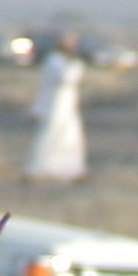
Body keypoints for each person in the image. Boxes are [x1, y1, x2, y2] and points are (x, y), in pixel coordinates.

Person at [26, 33, 86, 182]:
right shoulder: (54, 60)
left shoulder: (63, 61)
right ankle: (37, 169)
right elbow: (66, 78)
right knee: (50, 135)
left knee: (69, 137)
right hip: (54, 106)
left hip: (67, 106)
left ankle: (70, 170)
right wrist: (77, 66)